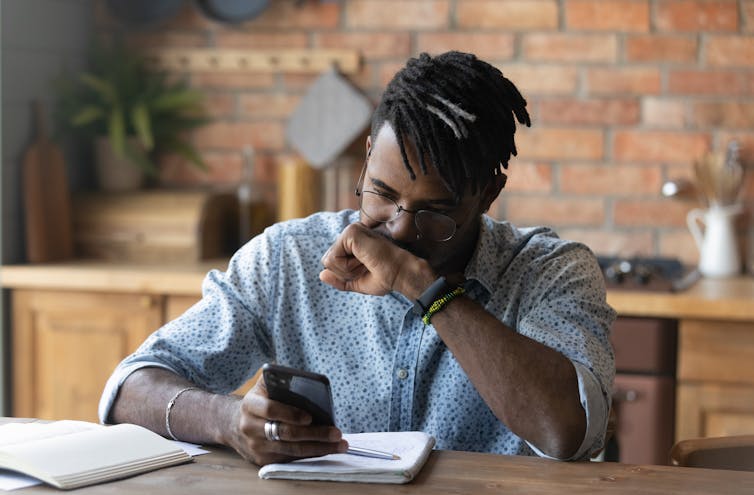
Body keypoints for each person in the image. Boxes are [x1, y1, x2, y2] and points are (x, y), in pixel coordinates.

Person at [100, 51, 615, 466]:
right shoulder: (288, 259)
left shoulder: (551, 271)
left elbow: (567, 432)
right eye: (383, 193)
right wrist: (227, 421)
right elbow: (130, 388)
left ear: (488, 192)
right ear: (367, 155)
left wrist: (428, 290)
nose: (400, 228)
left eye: (436, 211)